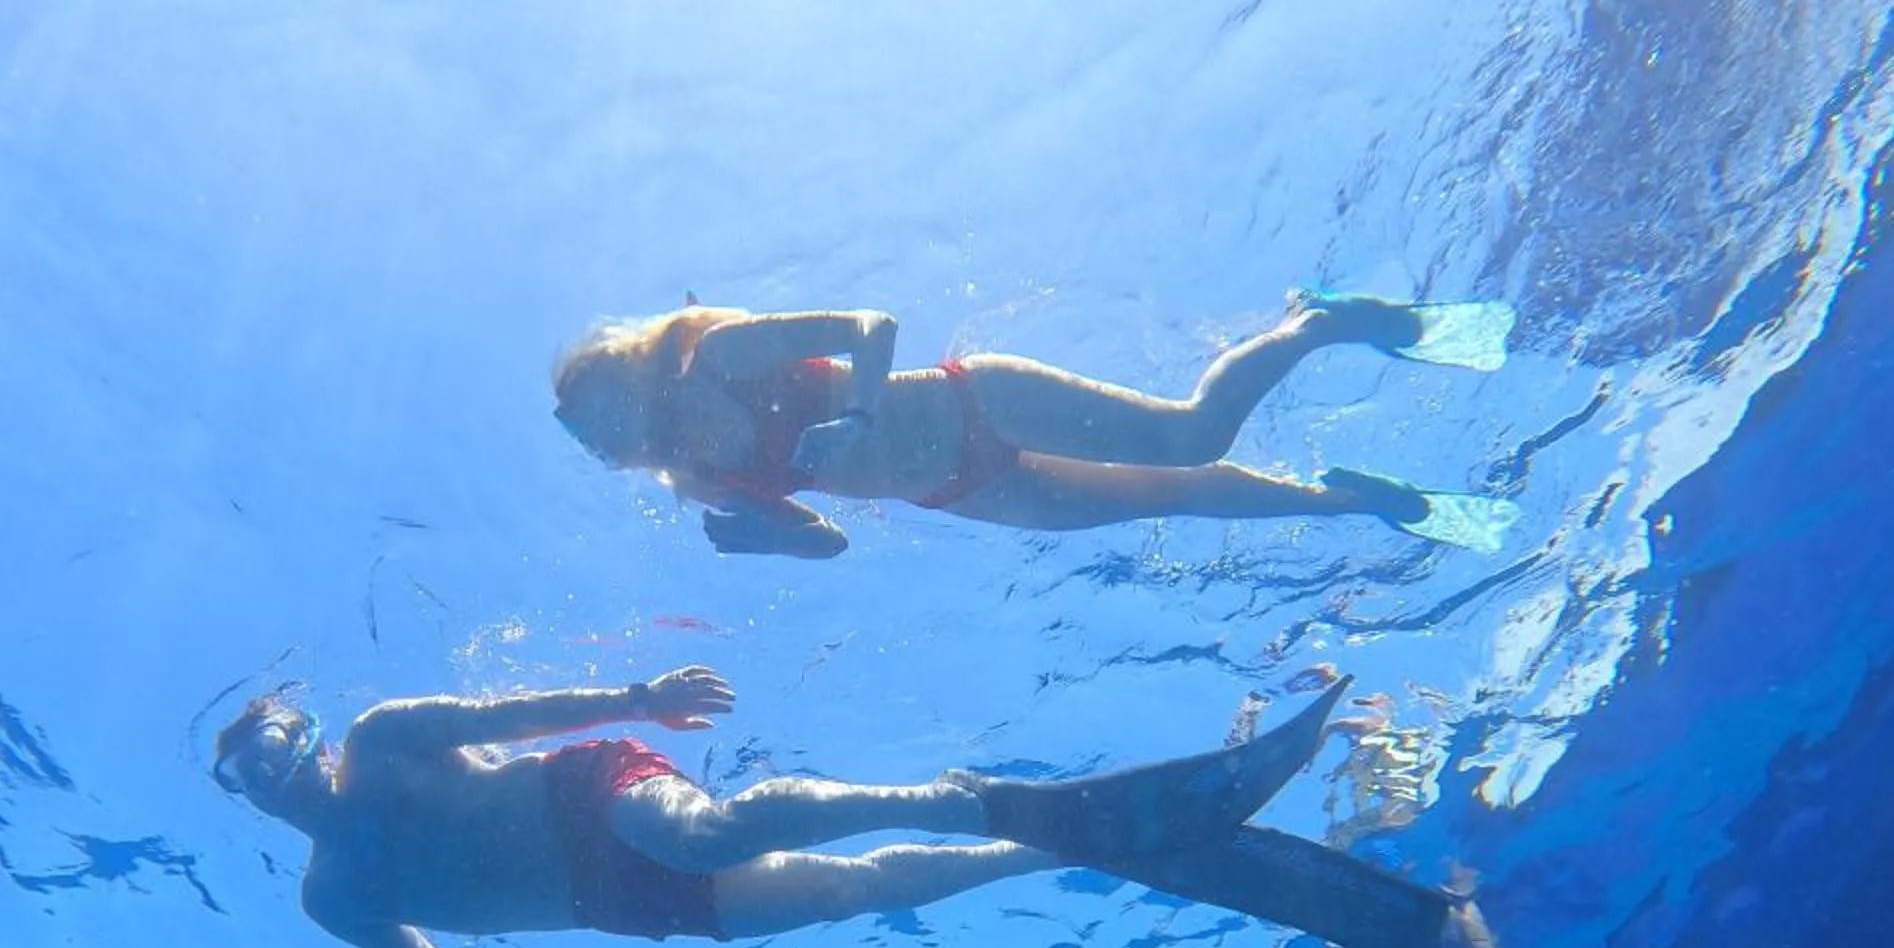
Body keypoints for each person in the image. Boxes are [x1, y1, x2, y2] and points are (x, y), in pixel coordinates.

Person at [209, 666, 1453, 948]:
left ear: (307, 736)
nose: (275, 772)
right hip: (611, 902)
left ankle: (963, 794)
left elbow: (507, 718)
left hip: (594, 804)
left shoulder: (381, 739)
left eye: (275, 744)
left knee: (710, 828)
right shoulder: (338, 895)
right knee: (856, 895)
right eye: (248, 774)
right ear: (250, 801)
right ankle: (1076, 846)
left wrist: (640, 697)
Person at [550, 293, 1516, 559]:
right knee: (1182, 505)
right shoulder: (700, 483)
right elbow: (830, 541)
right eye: (580, 443)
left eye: (583, 418)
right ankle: (1358, 505)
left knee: (1192, 439)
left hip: (977, 401)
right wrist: (774, 544)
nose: (588, 446)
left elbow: (871, 328)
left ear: (625, 376)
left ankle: (1317, 323)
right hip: (969, 491)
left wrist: (854, 414)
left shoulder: (718, 357)